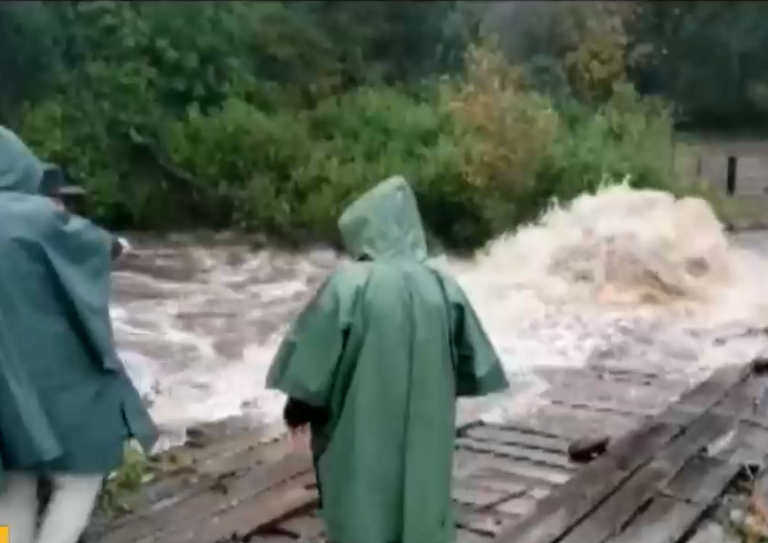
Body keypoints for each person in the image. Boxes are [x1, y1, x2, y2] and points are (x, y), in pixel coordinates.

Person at [266, 176, 509, 543]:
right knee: (423, 498)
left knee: (364, 500)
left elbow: (313, 364)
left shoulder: (350, 285)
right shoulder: (442, 285)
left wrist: (298, 407)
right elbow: (472, 363)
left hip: (361, 425)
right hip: (426, 426)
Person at [0, 126, 157, 543]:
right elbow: (99, 245)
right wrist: (117, 245)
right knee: (77, 482)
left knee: (11, 491)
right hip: (53, 384)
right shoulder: (33, 216)